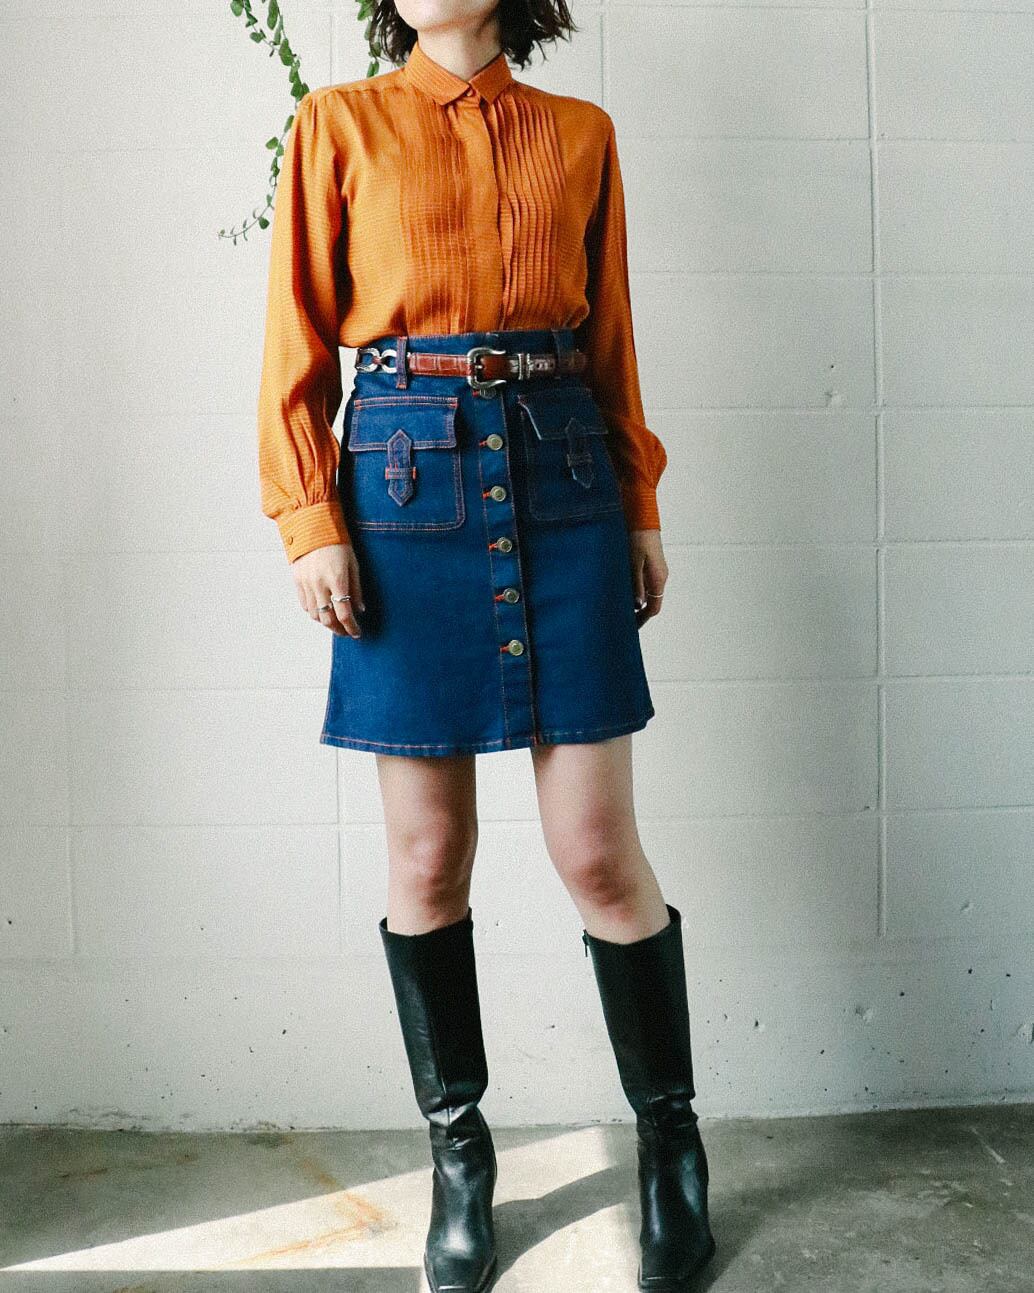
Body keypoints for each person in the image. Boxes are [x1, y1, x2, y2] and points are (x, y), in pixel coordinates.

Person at [256, 3, 717, 1290]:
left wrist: (639, 505)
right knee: (427, 855)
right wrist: (309, 523)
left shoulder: (580, 134)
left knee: (596, 853)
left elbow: (609, 340)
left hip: (564, 479)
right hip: (403, 487)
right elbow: (294, 343)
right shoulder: (335, 125)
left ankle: (669, 1147)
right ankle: (460, 1163)